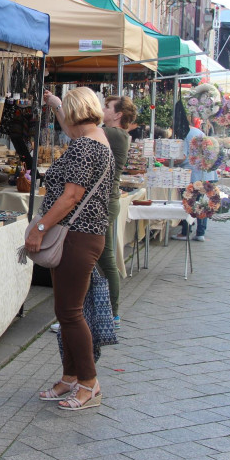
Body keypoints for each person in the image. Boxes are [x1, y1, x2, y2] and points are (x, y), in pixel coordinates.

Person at [28, 87, 114, 411]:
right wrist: (55, 104)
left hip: (75, 236)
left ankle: (89, 384)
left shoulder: (83, 148)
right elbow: (71, 126)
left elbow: (69, 197)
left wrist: (39, 228)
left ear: (78, 115)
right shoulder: (98, 138)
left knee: (70, 313)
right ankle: (70, 377)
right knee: (67, 312)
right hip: (84, 236)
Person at [100, 94, 136, 330]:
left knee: (104, 260)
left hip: (103, 203)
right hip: (107, 202)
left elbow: (78, 131)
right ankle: (110, 313)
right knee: (104, 258)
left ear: (118, 114)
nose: (103, 109)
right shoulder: (115, 134)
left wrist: (60, 106)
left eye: (107, 106)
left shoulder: (113, 134)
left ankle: (111, 313)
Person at [173, 112, 217, 241]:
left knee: (189, 202)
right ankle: (200, 233)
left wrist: (169, 162)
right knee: (201, 203)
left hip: (193, 174)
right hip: (205, 172)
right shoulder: (198, 131)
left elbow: (183, 157)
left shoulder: (185, 134)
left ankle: (185, 232)